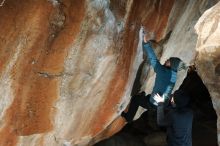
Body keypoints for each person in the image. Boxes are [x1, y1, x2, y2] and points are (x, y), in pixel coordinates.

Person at [121, 29, 185, 123]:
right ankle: (144, 97)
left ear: (170, 65)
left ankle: (128, 118)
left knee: (135, 99)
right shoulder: (174, 75)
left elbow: (153, 60)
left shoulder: (163, 71)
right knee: (146, 96)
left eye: (169, 60)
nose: (167, 59)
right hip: (163, 104)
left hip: (154, 104)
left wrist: (145, 43)